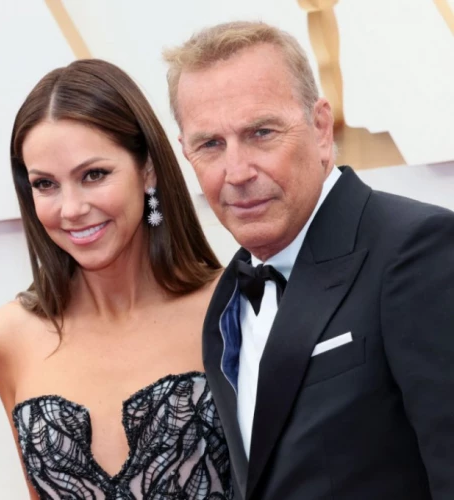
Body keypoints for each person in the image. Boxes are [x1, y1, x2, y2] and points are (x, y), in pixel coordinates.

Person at [163, 20, 454, 500]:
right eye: (210, 144)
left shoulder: (416, 250)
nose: (236, 171)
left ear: (320, 128)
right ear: (185, 153)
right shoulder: (227, 296)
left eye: (261, 132)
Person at [0, 59, 234, 500]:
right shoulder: (11, 336)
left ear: (148, 169)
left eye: (93, 175)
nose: (71, 209)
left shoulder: (233, 309)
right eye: (45, 184)